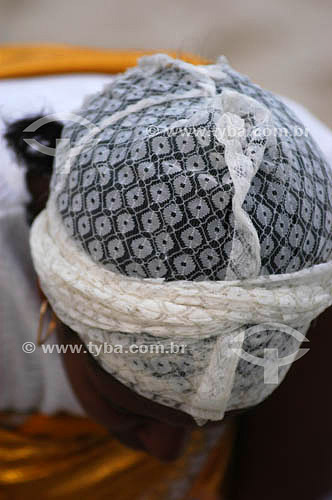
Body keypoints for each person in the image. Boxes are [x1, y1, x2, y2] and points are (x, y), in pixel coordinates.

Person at [1, 44, 332, 500]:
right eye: (133, 410)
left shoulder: (306, 236)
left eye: (219, 419)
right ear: (45, 280)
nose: (166, 452)